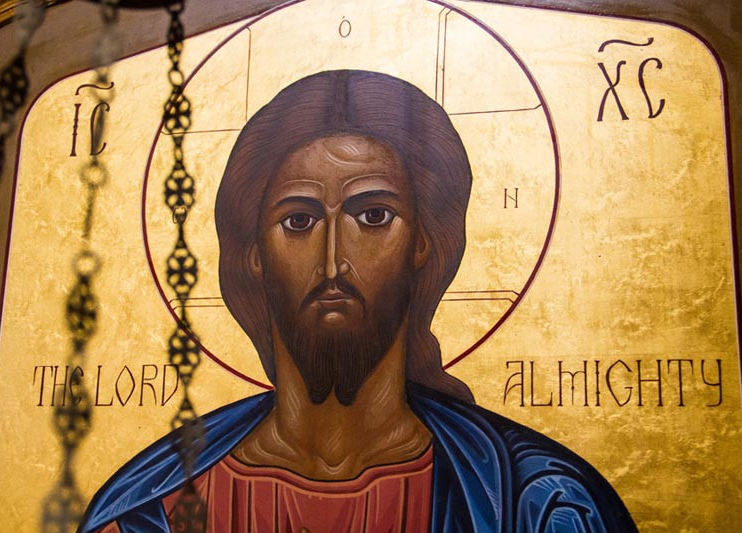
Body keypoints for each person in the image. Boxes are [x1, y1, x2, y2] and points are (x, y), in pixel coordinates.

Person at [80, 70, 637, 533]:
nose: (333, 264)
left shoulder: (535, 504)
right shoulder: (151, 511)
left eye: (373, 216)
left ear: (422, 243)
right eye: (298, 221)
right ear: (253, 255)